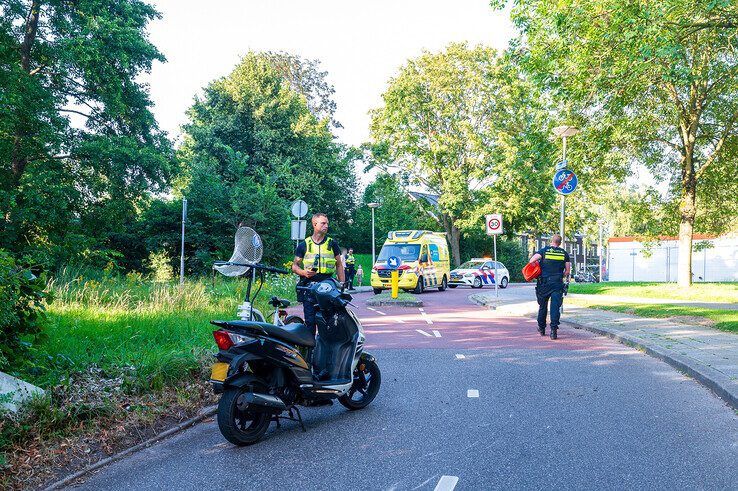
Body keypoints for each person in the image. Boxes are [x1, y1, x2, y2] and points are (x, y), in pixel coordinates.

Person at [291, 213, 345, 335]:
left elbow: (339, 265)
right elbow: (294, 266)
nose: (326, 226)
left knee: (328, 321)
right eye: (323, 223)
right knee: (310, 321)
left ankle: (327, 349)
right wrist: (303, 272)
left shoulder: (332, 244)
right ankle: (310, 351)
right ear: (314, 224)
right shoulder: (304, 244)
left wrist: (342, 285)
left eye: (327, 223)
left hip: (327, 286)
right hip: (309, 286)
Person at [528, 234, 571, 340]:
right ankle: (553, 331)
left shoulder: (544, 251)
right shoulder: (564, 254)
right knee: (555, 307)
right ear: (560, 243)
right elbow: (567, 271)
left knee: (543, 306)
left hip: (544, 284)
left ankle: (542, 328)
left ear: (551, 241)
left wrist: (539, 268)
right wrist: (560, 275)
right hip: (557, 283)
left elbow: (531, 261)